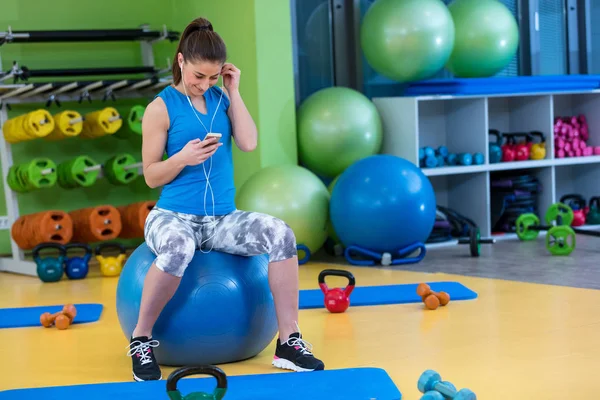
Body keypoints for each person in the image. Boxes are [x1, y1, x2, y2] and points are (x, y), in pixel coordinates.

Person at [126, 17, 325, 382]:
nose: (205, 84)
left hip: (221, 220)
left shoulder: (221, 99)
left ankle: (289, 341)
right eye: (198, 76)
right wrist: (182, 159)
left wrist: (234, 91)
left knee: (281, 234)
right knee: (179, 248)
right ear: (181, 60)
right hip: (173, 215)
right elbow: (151, 175)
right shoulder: (161, 107)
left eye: (214, 77)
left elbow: (248, 142)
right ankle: (141, 339)